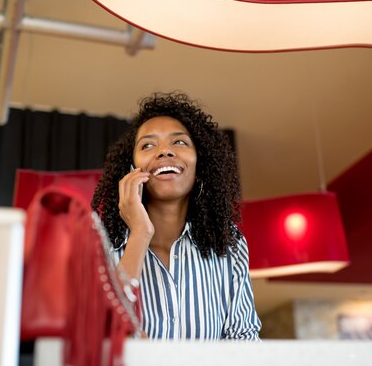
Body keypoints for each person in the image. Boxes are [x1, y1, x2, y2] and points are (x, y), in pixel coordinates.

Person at [91, 92, 261, 340]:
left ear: (200, 163)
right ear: (131, 169)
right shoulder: (99, 243)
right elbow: (102, 334)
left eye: (179, 142)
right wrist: (139, 234)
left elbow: (244, 339)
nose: (164, 152)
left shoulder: (229, 244)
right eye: (148, 145)